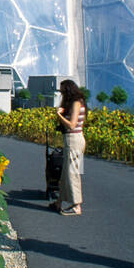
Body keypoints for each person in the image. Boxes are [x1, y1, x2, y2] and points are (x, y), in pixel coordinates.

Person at [50, 79, 86, 215]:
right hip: (74, 139)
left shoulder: (76, 103)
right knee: (66, 173)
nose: (61, 93)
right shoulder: (76, 102)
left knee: (73, 173)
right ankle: (59, 202)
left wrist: (59, 115)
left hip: (74, 140)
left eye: (62, 91)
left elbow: (71, 125)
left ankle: (76, 205)